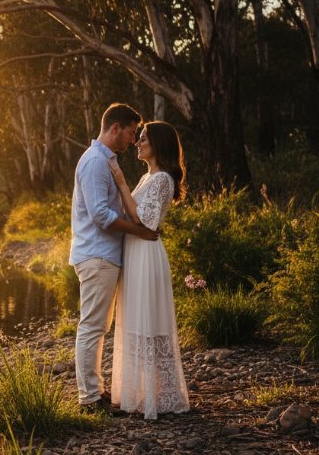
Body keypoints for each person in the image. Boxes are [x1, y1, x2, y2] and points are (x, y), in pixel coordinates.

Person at [71, 103, 159, 413]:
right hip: (96, 255)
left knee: (98, 326)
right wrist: (137, 230)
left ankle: (95, 392)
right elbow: (99, 215)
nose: (134, 140)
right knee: (92, 326)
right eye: (132, 133)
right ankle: (89, 399)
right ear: (115, 128)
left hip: (103, 255)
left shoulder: (105, 160)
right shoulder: (96, 161)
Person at [108, 121, 190, 419]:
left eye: (143, 139)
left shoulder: (164, 179)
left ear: (158, 144)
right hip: (134, 252)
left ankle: (160, 397)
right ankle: (138, 392)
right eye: (138, 138)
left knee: (148, 321)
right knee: (133, 320)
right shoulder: (147, 178)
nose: (137, 143)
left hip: (147, 254)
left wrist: (120, 182)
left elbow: (145, 221)